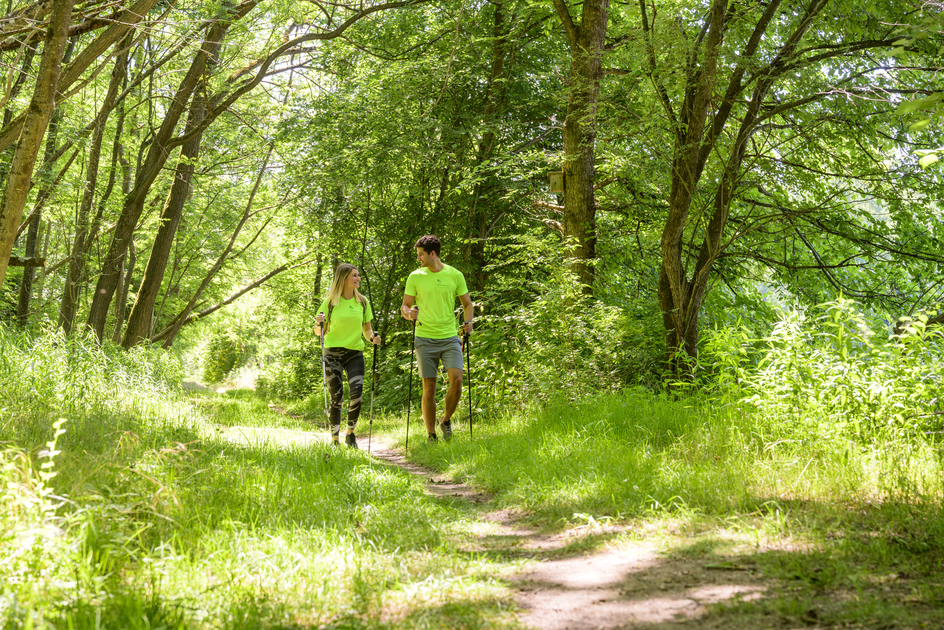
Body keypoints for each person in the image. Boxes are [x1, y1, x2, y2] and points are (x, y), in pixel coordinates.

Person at [400, 235, 473, 443]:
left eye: (421, 254)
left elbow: (468, 305)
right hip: (424, 337)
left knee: (457, 381)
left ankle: (446, 420)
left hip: (449, 336)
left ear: (433, 254)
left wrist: (468, 323)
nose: (418, 258)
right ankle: (431, 434)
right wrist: (408, 314)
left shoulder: (455, 275)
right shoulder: (415, 276)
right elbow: (405, 305)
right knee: (429, 387)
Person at [315, 263, 381, 448]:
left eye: (358, 275)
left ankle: (350, 434)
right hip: (332, 354)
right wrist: (318, 323)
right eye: (354, 275)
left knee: (357, 394)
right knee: (337, 396)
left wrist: (372, 338)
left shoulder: (362, 302)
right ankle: (335, 438)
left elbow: (367, 330)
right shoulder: (330, 302)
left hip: (355, 353)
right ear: (343, 278)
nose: (358, 278)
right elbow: (318, 331)